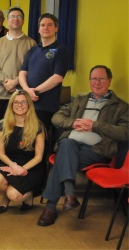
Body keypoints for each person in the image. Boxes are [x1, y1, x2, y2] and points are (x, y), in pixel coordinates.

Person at [37, 65, 128, 226]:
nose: (97, 83)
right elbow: (57, 118)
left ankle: (53, 206)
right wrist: (73, 123)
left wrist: (95, 126)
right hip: (71, 145)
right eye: (93, 79)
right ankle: (69, 195)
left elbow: (124, 133)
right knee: (68, 144)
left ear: (109, 80)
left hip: (96, 151)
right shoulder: (80, 101)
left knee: (63, 155)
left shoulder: (121, 107)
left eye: (101, 79)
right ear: (89, 81)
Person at [0, 90, 45, 214]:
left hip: (31, 167)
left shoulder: (38, 127)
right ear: (11, 105)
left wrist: (22, 169)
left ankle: (29, 194)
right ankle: (5, 197)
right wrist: (13, 166)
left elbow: (38, 157)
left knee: (14, 195)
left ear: (29, 105)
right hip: (10, 163)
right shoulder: (2, 125)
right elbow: (0, 154)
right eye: (16, 102)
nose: (19, 105)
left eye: (23, 102)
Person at [18, 13, 69, 131]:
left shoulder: (61, 50)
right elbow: (22, 73)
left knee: (41, 139)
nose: (46, 28)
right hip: (27, 103)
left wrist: (36, 91)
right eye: (42, 25)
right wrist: (27, 90)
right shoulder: (33, 50)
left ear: (56, 28)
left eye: (50, 25)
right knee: (25, 138)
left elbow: (58, 77)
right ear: (38, 29)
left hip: (46, 105)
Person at [0, 7, 36, 126]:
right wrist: (7, 82)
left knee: (20, 132)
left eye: (19, 16)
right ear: (7, 21)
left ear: (23, 21)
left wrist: (15, 82)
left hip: (21, 96)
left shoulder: (32, 43)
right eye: (12, 16)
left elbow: (32, 69)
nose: (15, 19)